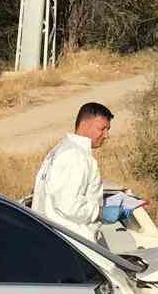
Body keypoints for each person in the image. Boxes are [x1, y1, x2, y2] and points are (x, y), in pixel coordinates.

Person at [31, 102, 112, 240]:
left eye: (108, 129)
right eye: (102, 129)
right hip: (72, 240)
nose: (106, 135)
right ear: (84, 124)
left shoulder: (62, 149)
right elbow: (68, 205)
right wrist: (100, 212)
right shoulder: (76, 156)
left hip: (51, 236)